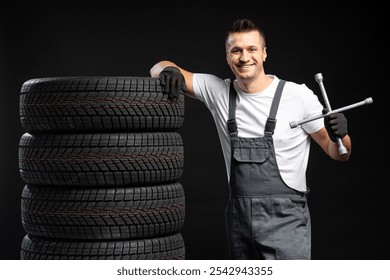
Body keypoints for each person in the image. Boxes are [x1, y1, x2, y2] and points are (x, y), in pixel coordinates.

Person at [150, 18, 351, 260]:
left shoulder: (298, 96)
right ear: (227, 56)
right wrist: (167, 70)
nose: (245, 57)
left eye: (252, 49)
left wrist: (342, 135)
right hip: (239, 220)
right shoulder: (219, 91)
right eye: (237, 50)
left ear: (264, 54)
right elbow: (156, 68)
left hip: (286, 219)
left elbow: (338, 152)